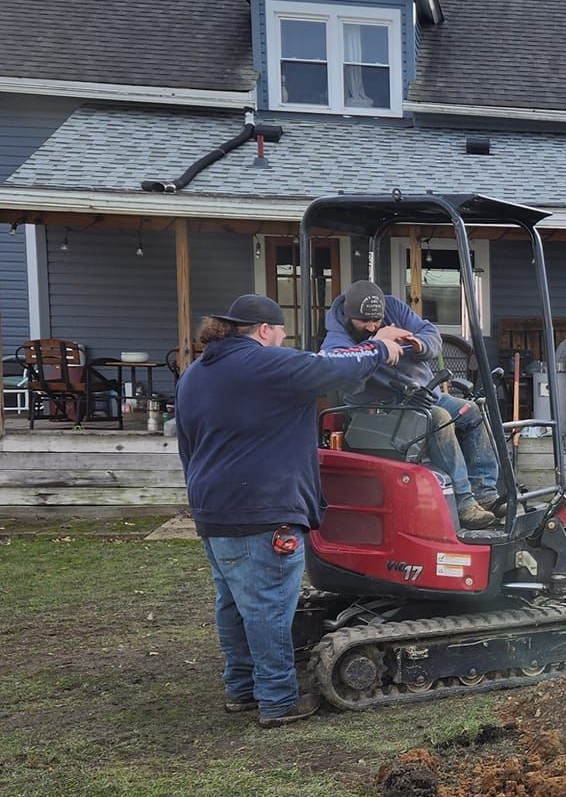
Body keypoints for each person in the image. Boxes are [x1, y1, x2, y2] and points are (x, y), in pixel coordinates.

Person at [176, 292, 413, 726]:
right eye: (282, 333)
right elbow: (330, 368)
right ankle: (278, 701)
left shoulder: (195, 374)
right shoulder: (264, 364)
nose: (285, 340)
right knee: (268, 606)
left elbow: (187, 447)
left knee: (233, 603)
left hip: (215, 510)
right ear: (264, 331)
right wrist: (381, 347)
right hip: (263, 510)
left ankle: (242, 689)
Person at [322, 279, 502, 528]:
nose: (373, 326)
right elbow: (349, 383)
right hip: (378, 409)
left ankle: (485, 492)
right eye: (365, 322)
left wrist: (417, 344)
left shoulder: (394, 308)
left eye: (377, 320)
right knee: (436, 418)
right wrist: (377, 347)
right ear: (348, 317)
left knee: (470, 411)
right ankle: (463, 502)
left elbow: (431, 335)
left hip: (423, 395)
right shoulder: (336, 341)